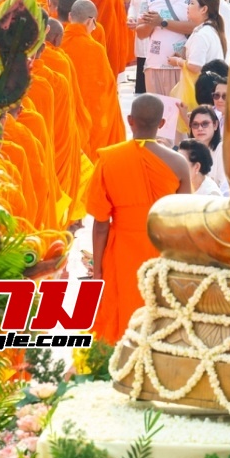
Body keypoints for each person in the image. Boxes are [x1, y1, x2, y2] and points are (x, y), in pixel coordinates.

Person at [88, 94, 190, 344]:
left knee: (122, 312)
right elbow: (185, 216)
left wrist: (98, 269)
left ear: (130, 120)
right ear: (162, 123)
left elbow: (101, 223)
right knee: (158, 309)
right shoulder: (178, 163)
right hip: (162, 249)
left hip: (121, 249)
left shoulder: (110, 160)